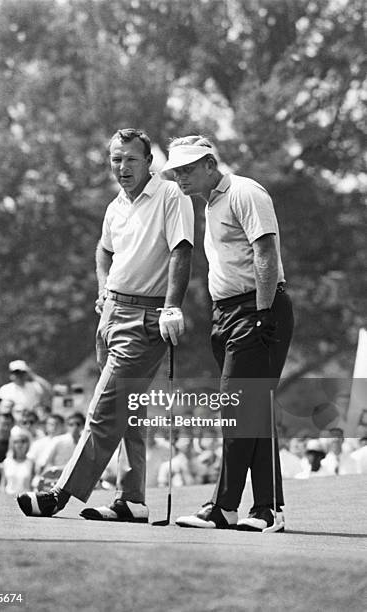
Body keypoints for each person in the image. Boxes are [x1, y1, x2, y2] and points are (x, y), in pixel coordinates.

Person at [17, 127, 194, 521]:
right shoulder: (116, 206)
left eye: (131, 159)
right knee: (128, 411)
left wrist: (171, 307)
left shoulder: (170, 195)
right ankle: (131, 500)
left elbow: (182, 251)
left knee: (104, 408)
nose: (123, 166)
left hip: (147, 318)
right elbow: (104, 249)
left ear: (149, 162)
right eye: (117, 159)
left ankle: (61, 493)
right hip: (112, 314)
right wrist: (103, 288)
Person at [164, 136, 294, 532]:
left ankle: (224, 506)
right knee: (253, 410)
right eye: (176, 171)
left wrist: (263, 311)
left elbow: (266, 252)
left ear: (208, 164)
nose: (180, 177)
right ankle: (269, 509)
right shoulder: (210, 203)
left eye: (187, 169)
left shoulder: (243, 191)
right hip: (228, 315)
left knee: (238, 407)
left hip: (256, 308)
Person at [0, 429, 34, 495]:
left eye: (23, 441)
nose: (19, 444)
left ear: (28, 444)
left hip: (26, 500)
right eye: (16, 442)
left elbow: (33, 486)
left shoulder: (32, 463)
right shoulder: (6, 462)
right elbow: (2, 485)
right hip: (8, 498)